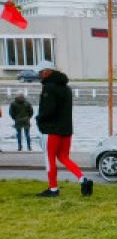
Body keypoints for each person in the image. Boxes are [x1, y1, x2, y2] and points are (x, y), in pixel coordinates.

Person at [34, 65, 92, 198]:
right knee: (64, 157)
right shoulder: (67, 88)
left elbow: (47, 110)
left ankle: (53, 189)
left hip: (51, 130)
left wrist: (39, 119)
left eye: (41, 72)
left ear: (48, 72)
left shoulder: (48, 88)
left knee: (50, 160)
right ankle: (83, 179)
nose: (39, 75)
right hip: (66, 130)